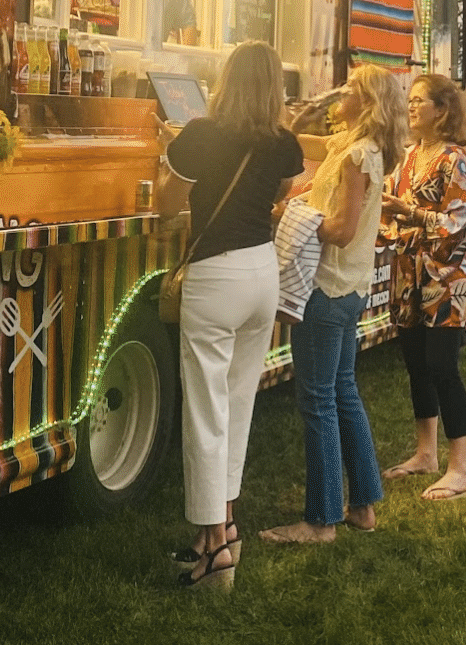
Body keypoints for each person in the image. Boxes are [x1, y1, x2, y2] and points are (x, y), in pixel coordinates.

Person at [156, 40, 305, 589]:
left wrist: (165, 160)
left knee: (205, 411)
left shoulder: (200, 133)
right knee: (238, 406)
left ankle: (215, 544)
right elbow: (283, 190)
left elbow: (165, 205)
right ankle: (224, 527)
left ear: (226, 79)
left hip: (215, 276)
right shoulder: (283, 142)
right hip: (262, 273)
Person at [261, 64, 406, 545]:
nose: (340, 93)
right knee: (343, 390)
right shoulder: (356, 147)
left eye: (351, 89)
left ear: (367, 103)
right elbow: (308, 149)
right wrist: (294, 121)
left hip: (326, 288)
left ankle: (320, 521)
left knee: (318, 399)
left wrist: (296, 216)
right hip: (351, 288)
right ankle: (362, 505)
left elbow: (342, 230)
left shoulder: (357, 157)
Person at [382, 72, 466, 501]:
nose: (411, 106)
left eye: (420, 100)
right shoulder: (407, 157)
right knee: (416, 366)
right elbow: (387, 211)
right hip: (409, 278)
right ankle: (426, 454)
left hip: (446, 281)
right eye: (410, 99)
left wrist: (411, 215)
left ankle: (460, 471)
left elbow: (457, 222)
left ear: (442, 111)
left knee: (442, 368)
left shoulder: (454, 160)